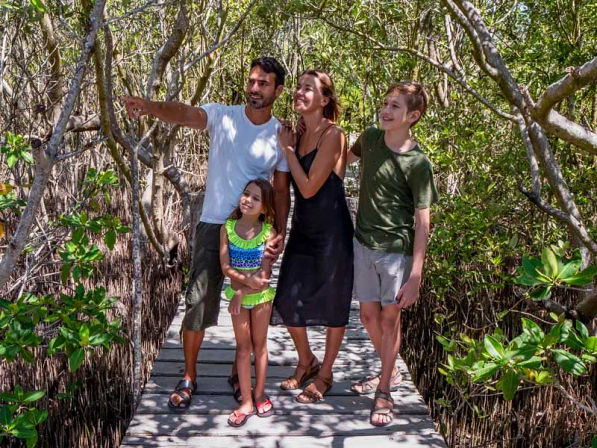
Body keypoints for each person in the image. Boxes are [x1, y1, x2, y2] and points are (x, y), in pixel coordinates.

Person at [122, 57, 291, 410]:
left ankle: (236, 373)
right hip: (214, 223)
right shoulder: (222, 115)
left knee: (247, 304)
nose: (254, 88)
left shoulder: (280, 134)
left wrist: (280, 232)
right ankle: (189, 375)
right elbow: (185, 114)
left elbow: (280, 190)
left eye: (263, 83)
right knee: (198, 300)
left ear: (278, 89)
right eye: (251, 81)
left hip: (254, 233)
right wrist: (149, 107)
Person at [348, 81, 438, 426]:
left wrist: (416, 274)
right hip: (362, 244)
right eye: (385, 103)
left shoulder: (419, 164)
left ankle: (384, 390)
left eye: (395, 107)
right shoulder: (370, 139)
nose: (386, 110)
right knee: (369, 318)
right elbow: (340, 158)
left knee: (390, 319)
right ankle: (392, 369)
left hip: (396, 253)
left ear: (413, 116)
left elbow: (422, 222)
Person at [270, 70, 354, 403]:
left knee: (334, 304)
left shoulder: (334, 135)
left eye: (309, 88)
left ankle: (325, 373)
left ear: (324, 99)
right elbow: (283, 187)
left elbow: (307, 187)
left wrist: (288, 150)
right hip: (303, 230)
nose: (300, 92)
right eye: (299, 87)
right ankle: (307, 359)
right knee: (288, 298)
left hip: (332, 232)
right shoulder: (298, 132)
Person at [219, 179, 277, 426]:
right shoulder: (228, 229)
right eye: (246, 195)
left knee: (260, 345)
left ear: (264, 208)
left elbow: (264, 276)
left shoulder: (268, 232)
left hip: (261, 297)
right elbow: (225, 267)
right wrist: (240, 291)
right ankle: (246, 400)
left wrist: (242, 291)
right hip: (237, 301)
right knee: (243, 348)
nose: (248, 200)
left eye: (256, 198)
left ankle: (260, 392)